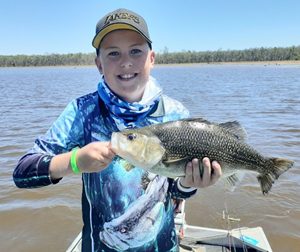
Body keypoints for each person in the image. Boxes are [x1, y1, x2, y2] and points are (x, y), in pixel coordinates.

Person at [13, 8, 222, 252]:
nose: (126, 62)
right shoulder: (82, 112)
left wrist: (189, 183)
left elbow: (174, 192)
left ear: (152, 58)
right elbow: (22, 172)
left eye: (136, 51)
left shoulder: (175, 114)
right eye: (113, 53)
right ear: (99, 63)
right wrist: (74, 161)